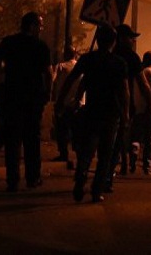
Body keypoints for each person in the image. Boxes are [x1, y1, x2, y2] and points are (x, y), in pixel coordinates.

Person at [55, 26, 129, 203]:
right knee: (105, 153)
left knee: (87, 149)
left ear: (97, 40)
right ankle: (96, 190)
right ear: (114, 41)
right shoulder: (119, 63)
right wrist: (125, 115)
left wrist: (60, 100)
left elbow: (72, 79)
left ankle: (80, 178)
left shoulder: (88, 59)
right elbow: (124, 91)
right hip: (111, 113)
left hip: (91, 109)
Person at [0, 12, 53, 192]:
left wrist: (2, 81)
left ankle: (13, 179)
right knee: (32, 139)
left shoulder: (8, 42)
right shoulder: (41, 47)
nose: (41, 29)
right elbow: (48, 74)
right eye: (39, 25)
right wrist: (47, 94)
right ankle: (32, 177)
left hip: (12, 96)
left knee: (12, 140)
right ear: (32, 26)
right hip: (33, 98)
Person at [105, 24, 151, 190]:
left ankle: (91, 173)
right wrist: (150, 106)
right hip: (121, 106)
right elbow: (143, 84)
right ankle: (106, 177)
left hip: (98, 102)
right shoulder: (131, 57)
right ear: (121, 38)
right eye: (131, 37)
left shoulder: (105, 53)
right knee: (116, 143)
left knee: (101, 141)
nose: (133, 40)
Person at [51, 47, 80, 165]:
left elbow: (52, 79)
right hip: (79, 103)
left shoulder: (61, 66)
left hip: (64, 102)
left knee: (62, 129)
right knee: (77, 131)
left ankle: (64, 154)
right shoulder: (80, 66)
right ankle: (79, 156)